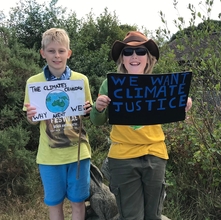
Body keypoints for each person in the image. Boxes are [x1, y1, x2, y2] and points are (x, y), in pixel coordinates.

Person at [90, 31, 193, 220]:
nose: (134, 56)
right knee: (131, 216)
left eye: (140, 51)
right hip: (123, 158)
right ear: (122, 58)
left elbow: (176, 114)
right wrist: (98, 107)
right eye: (128, 52)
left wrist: (183, 105)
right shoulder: (109, 84)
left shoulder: (161, 85)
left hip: (156, 155)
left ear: (148, 57)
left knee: (153, 215)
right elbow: (97, 121)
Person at [23, 28, 93, 220]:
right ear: (42, 53)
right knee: (54, 203)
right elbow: (31, 120)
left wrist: (88, 110)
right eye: (52, 51)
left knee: (78, 202)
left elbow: (88, 114)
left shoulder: (81, 80)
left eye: (61, 51)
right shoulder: (33, 83)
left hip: (78, 154)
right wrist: (30, 115)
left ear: (68, 53)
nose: (57, 55)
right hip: (49, 157)